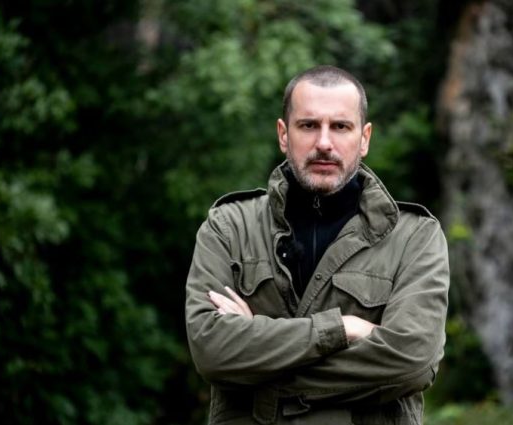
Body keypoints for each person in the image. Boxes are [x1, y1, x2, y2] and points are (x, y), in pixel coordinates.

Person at [185, 65, 449, 425]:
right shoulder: (229, 227)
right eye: (308, 125)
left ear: (364, 138)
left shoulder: (414, 237)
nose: (324, 143)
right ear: (284, 134)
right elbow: (212, 352)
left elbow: (412, 362)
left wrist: (259, 364)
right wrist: (343, 329)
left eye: (340, 126)